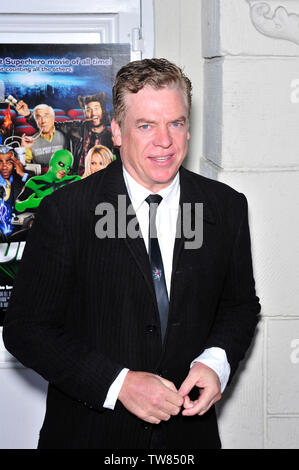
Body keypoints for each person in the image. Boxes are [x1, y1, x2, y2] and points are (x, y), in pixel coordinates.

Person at [3, 58, 260, 449]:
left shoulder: (225, 208)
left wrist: (216, 362)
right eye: (146, 125)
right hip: (88, 436)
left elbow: (240, 305)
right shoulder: (66, 211)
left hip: (188, 440)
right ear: (117, 132)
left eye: (176, 123)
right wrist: (118, 384)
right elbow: (25, 330)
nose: (165, 140)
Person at [16, 93, 114, 175]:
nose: (93, 114)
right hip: (76, 178)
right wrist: (28, 115)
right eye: (88, 110)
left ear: (103, 111)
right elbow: (50, 124)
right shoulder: (77, 127)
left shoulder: (112, 137)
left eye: (96, 109)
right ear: (84, 113)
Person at [15, 149, 81, 213]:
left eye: (68, 168)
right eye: (61, 165)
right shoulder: (34, 182)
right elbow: (17, 206)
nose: (64, 170)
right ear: (52, 162)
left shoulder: (75, 180)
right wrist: (27, 204)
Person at [16, 103, 67, 171]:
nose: (43, 121)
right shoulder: (30, 142)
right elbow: (21, 167)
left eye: (46, 116)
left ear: (53, 118)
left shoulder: (66, 135)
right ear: (36, 121)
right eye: (38, 117)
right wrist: (23, 150)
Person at [0, 145, 33, 238]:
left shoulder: (21, 179)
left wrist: (22, 174)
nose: (4, 167)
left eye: (9, 163)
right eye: (0, 162)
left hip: (18, 233)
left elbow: (38, 188)